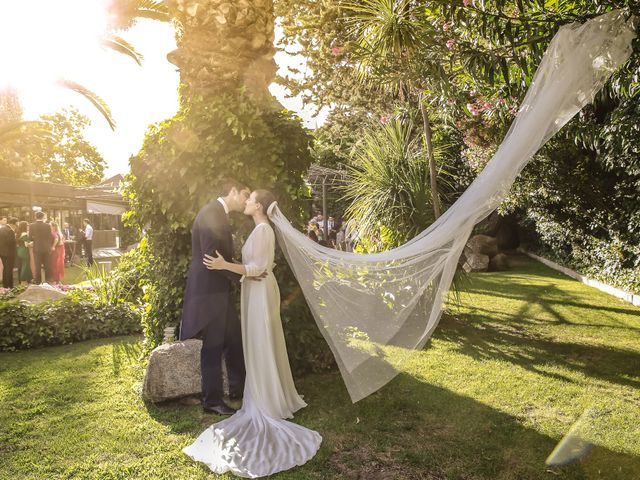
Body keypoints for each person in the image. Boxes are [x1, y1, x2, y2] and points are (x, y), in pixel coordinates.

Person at [184, 189, 321, 478]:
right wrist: (238, 271)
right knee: (251, 342)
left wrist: (225, 266)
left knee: (259, 342)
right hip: (253, 289)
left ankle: (265, 397)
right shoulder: (255, 227)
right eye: (243, 196)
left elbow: (257, 267)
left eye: (250, 198)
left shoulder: (262, 231)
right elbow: (254, 267)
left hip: (258, 291)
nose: (245, 201)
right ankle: (255, 391)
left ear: (258, 206)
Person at [179, 179, 250, 416]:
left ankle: (239, 390)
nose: (246, 201)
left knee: (234, 339)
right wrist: (243, 276)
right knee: (213, 346)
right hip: (210, 293)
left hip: (218, 291)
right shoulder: (212, 212)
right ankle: (212, 401)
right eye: (244, 195)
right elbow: (211, 259)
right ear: (232, 191)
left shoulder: (218, 212)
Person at [29, 211, 53, 284]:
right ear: (43, 217)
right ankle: (48, 280)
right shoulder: (48, 225)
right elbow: (50, 237)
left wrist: (35, 239)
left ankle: (37, 281)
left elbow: (30, 237)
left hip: (37, 247)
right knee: (47, 264)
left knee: (37, 265)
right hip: (46, 247)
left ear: (35, 217)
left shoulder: (32, 225)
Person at [0, 217, 17, 288]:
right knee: (9, 269)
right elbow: (11, 242)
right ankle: (9, 285)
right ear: (14, 224)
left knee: (5, 268)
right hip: (9, 253)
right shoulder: (10, 231)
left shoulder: (1, 229)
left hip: (2, 252)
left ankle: (5, 285)